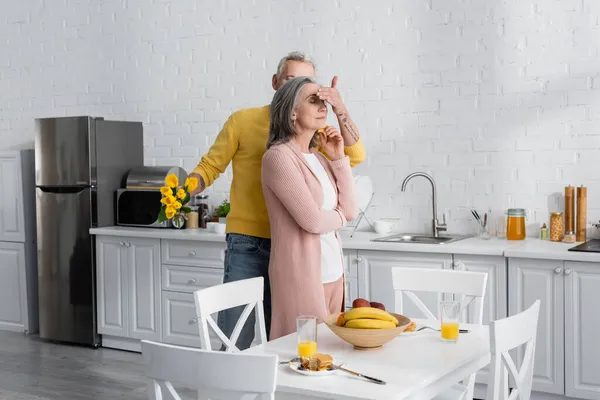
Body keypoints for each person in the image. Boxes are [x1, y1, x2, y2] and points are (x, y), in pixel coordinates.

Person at [187, 52, 366, 350]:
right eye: (291, 79)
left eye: (309, 85)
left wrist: (339, 106)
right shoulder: (245, 123)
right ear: (276, 83)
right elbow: (210, 166)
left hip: (296, 248)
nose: (298, 86)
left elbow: (353, 157)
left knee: (286, 339)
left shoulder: (315, 137)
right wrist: (181, 192)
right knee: (236, 336)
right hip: (249, 242)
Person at [261, 76, 359, 340]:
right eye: (313, 101)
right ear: (292, 112)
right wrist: (340, 216)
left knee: (332, 355)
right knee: (303, 356)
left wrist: (338, 158)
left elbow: (351, 208)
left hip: (334, 273)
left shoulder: (318, 157)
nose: (322, 107)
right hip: (301, 275)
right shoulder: (278, 157)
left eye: (324, 101)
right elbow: (313, 222)